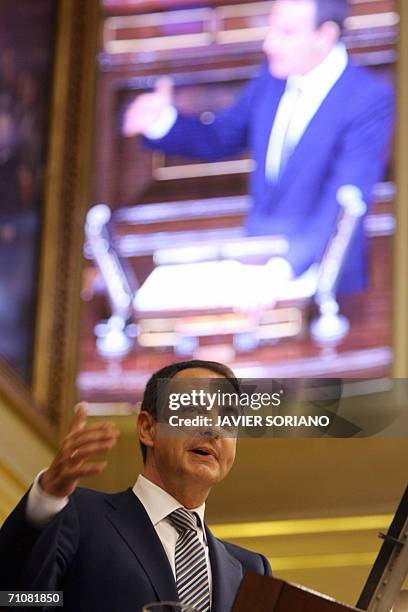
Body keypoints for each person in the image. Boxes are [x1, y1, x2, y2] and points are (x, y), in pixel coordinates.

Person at [123, 0, 395, 297]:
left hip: (326, 281)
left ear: (325, 35)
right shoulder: (272, 78)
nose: (270, 43)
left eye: (286, 32)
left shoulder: (368, 99)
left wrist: (282, 269)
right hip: (256, 266)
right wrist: (161, 122)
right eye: (271, 29)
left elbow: (344, 199)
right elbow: (221, 138)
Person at [0, 360, 271, 611]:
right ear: (147, 428)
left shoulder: (252, 571)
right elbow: (12, 599)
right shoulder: (78, 516)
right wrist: (45, 498)